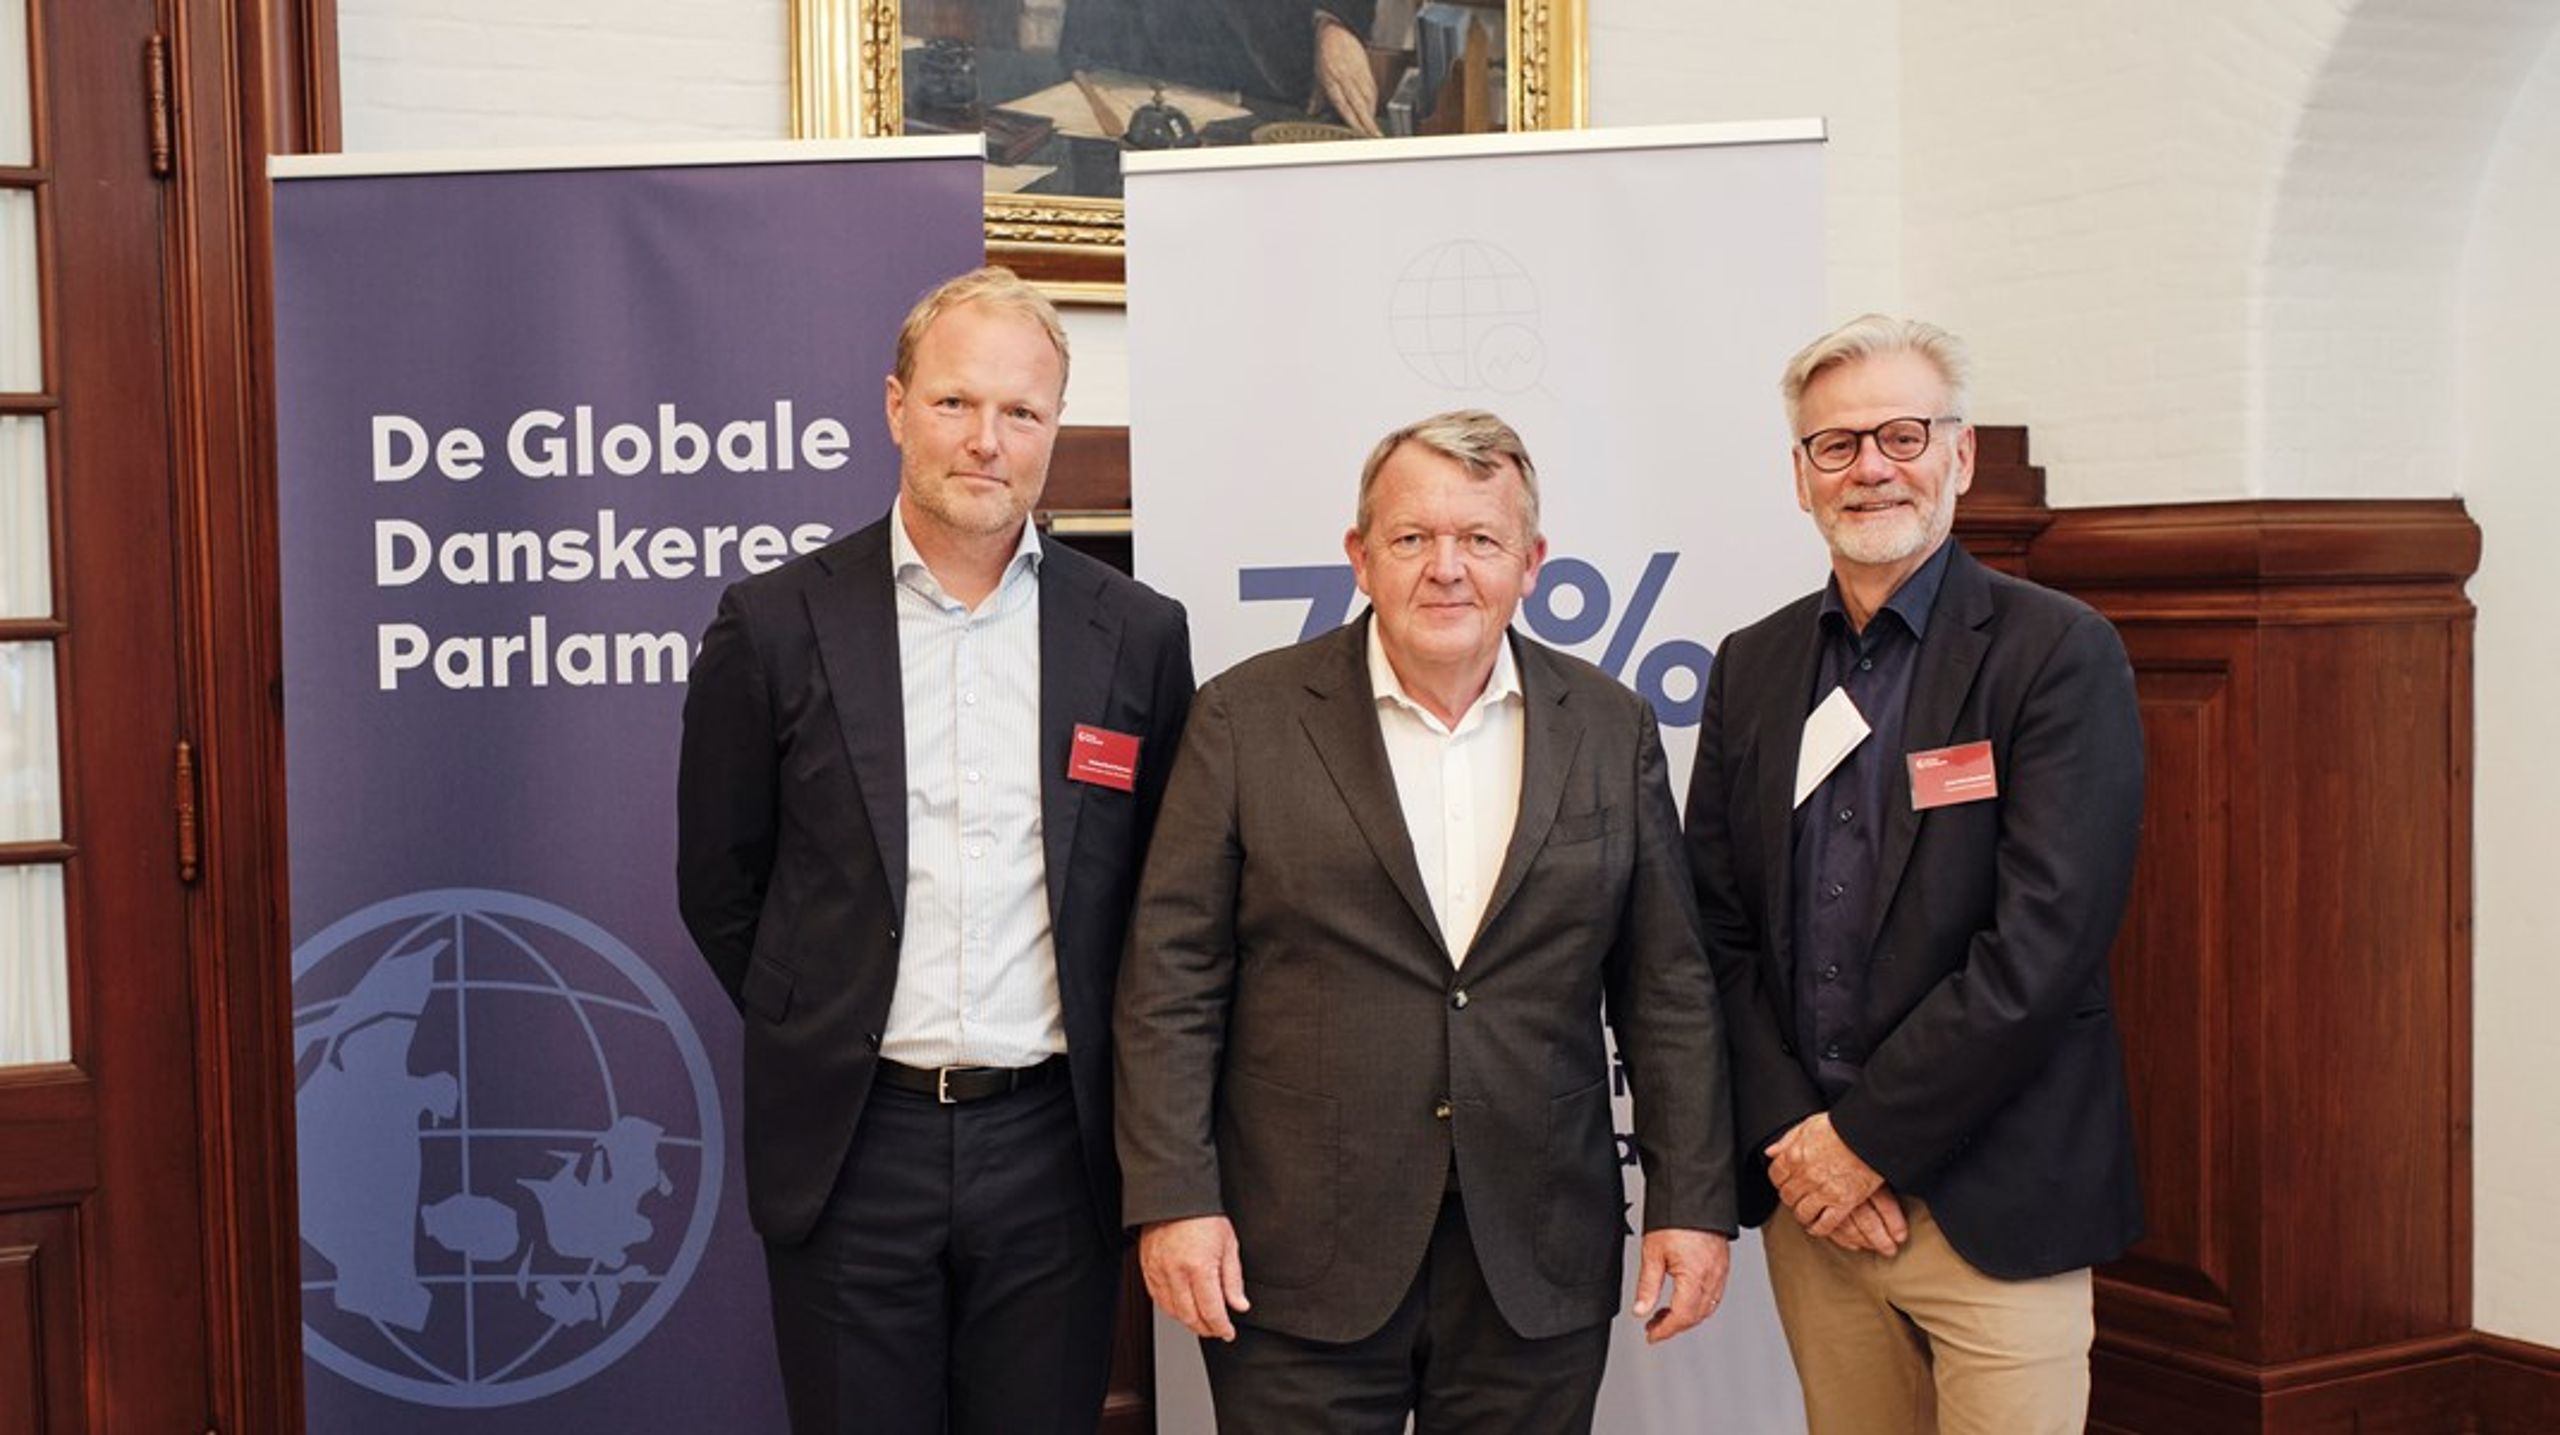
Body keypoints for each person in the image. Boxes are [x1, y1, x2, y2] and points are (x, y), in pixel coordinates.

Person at [1115, 409, 1735, 1433]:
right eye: (1412, 538)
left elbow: (1667, 988)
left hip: (1535, 1251)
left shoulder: (1610, 727)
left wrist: (1689, 1201)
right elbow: (1170, 984)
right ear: (1360, 556)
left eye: (1480, 540)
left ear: (1530, 562)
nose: (1446, 568)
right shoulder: (1242, 720)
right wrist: (1176, 1198)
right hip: (1296, 1256)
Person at [675, 266, 1194, 1435]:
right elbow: (720, 880)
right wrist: (821, 1018)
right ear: (895, 405)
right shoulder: (774, 624)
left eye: (1022, 413)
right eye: (958, 403)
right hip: (855, 1146)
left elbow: (1165, 898)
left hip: (1054, 1149)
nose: (988, 442)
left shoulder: (1137, 634)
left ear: (1053, 429)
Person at [1683, 314, 2145, 1435]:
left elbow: (2041, 945)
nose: (1872, 467)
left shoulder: (2054, 651)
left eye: (1901, 433)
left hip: (1994, 1202)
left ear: (1960, 454)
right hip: (1818, 1208)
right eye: (1835, 445)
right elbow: (1718, 926)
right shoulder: (1753, 665)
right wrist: (1804, 1143)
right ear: (1799, 477)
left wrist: (1864, 1144)